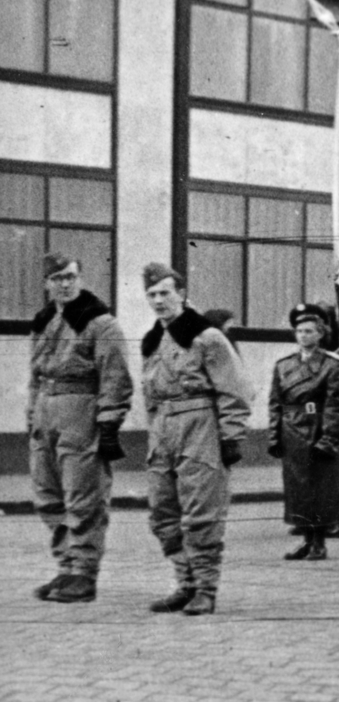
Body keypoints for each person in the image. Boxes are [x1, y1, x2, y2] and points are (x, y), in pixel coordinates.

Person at [140, 263, 253, 615]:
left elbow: (236, 389)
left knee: (201, 513)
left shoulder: (207, 337)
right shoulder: (152, 340)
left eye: (165, 293)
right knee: (162, 513)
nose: (159, 301)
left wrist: (231, 435)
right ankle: (185, 582)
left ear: (183, 294)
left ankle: (205, 588)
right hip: (163, 430)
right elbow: (150, 395)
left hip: (199, 426)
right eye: (152, 294)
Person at [28, 252, 133, 604]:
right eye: (58, 278)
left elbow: (116, 378)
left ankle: (84, 574)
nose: (65, 283)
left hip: (81, 411)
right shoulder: (44, 321)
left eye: (71, 276)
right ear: (48, 284)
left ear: (81, 278)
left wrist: (108, 425)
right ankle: (67, 565)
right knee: (48, 496)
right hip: (46, 412)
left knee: (83, 496)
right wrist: (32, 416)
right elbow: (34, 375)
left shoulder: (100, 323)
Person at [267, 304, 339, 561]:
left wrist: (329, 438)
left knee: (320, 488)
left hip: (317, 428)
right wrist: (274, 435)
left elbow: (337, 404)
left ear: (320, 334)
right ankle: (305, 539)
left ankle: (319, 542)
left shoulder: (331, 365)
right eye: (300, 331)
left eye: (309, 331)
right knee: (297, 489)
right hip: (292, 431)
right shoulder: (283, 365)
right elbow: (275, 403)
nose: (303, 336)